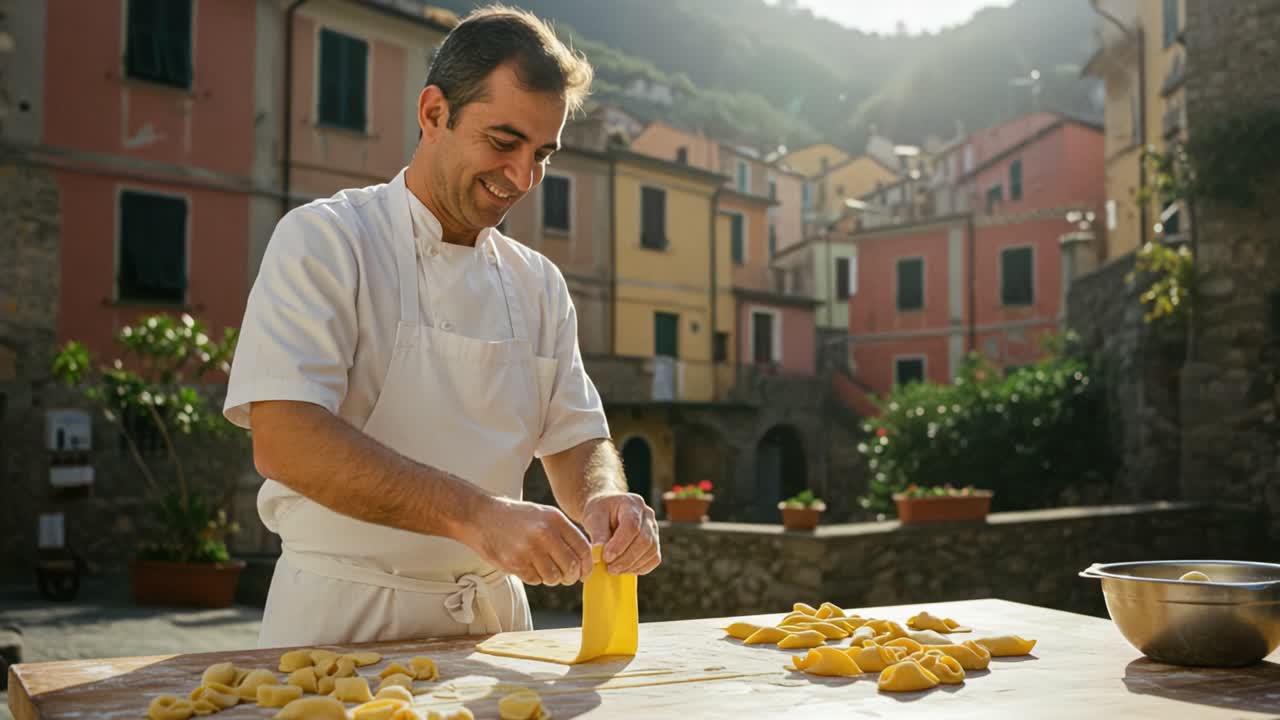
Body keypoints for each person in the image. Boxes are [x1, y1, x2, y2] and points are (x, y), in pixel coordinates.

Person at [223, 5, 660, 648]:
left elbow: (575, 439)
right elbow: (285, 438)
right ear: (434, 114)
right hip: (340, 620)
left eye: (543, 154)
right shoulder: (325, 240)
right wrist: (479, 517)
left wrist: (604, 499)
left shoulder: (539, 282)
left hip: (496, 631)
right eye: (503, 142)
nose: (522, 178)